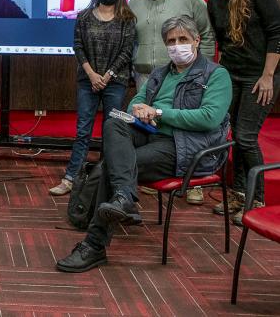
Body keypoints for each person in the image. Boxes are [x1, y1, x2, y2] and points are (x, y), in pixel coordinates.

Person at [55, 16, 232, 273]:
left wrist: (158, 112)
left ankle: (94, 245)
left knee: (112, 166)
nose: (176, 45)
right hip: (150, 134)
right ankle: (124, 196)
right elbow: (135, 103)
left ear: (197, 40)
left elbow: (209, 118)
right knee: (114, 120)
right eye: (171, 41)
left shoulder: (217, 75)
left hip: (185, 146)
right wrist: (139, 109)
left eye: (183, 39)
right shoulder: (161, 73)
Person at [128, 0, 215, 205]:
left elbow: (206, 33)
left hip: (186, 75)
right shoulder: (134, 3)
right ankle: (159, 171)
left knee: (188, 127)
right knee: (152, 127)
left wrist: (203, 68)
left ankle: (195, 182)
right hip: (147, 75)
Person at [206, 0, 280, 225]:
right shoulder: (214, 2)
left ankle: (256, 198)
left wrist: (268, 75)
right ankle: (238, 192)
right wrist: (219, 77)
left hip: (259, 76)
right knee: (236, 135)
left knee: (247, 137)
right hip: (231, 75)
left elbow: (276, 33)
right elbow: (222, 44)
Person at [50, 0, 135, 196]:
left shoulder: (127, 17)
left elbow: (127, 51)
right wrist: (92, 75)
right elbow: (78, 46)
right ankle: (70, 179)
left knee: (112, 131)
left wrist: (107, 76)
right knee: (83, 131)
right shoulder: (84, 16)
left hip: (116, 82)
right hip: (88, 81)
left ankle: (106, 181)